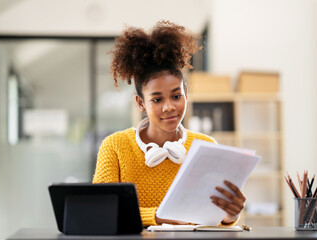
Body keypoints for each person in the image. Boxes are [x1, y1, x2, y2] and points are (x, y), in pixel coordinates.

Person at [93, 20, 246, 227]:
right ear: (141, 103)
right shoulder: (115, 146)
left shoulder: (204, 144)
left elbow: (210, 222)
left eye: (176, 96)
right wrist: (162, 216)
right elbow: (100, 211)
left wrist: (229, 217)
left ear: (186, 94)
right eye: (157, 100)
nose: (169, 107)